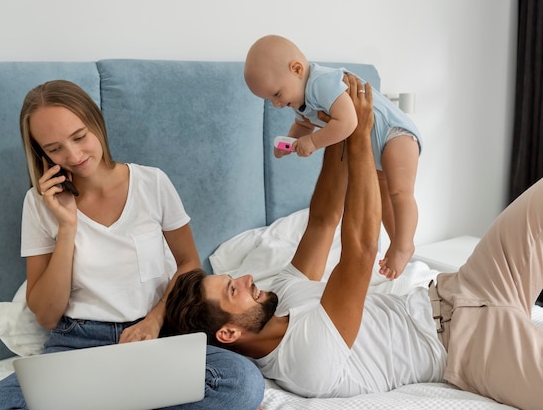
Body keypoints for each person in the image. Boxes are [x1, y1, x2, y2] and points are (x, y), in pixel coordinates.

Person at [165, 75, 543, 410]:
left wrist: (337, 127)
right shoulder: (303, 361)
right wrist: (362, 135)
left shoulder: (281, 297)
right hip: (472, 347)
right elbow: (361, 252)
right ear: (229, 333)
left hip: (460, 288)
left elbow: (324, 219)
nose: (247, 279)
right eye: (234, 290)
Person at [0, 79, 264, 410]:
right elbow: (47, 316)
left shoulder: (152, 183)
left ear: (97, 123)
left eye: (79, 137)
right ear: (41, 153)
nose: (74, 155)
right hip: (76, 346)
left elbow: (188, 264)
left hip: (156, 336)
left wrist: (154, 318)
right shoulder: (38, 205)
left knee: (243, 382)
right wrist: (67, 227)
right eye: (54, 148)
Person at [244, 34, 421, 279]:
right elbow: (304, 125)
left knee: (400, 193)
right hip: (375, 149)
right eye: (269, 99)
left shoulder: (321, 83)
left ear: (296, 69)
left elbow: (348, 122)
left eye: (276, 94)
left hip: (395, 135)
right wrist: (290, 143)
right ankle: (396, 241)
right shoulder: (299, 99)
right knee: (384, 196)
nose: (275, 104)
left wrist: (313, 142)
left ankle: (404, 244)